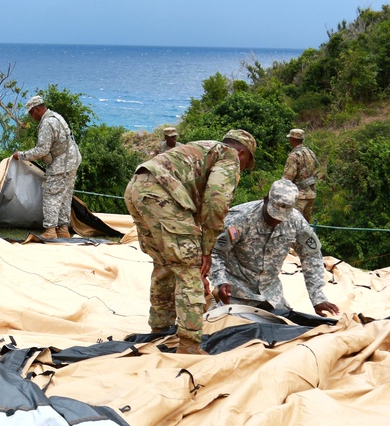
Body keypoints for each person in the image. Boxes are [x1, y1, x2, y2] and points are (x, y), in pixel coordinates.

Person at [124, 129, 256, 354]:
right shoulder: (229, 156)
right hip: (161, 194)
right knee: (189, 270)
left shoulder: (202, 148)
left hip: (136, 188)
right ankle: (189, 345)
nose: (241, 170)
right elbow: (216, 201)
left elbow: (192, 198)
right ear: (242, 153)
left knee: (165, 264)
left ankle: (160, 329)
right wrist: (205, 250)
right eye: (245, 165)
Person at [209, 179, 339, 317]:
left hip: (271, 297)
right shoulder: (240, 219)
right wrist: (220, 281)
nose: (276, 221)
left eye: (281, 218)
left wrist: (317, 297)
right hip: (236, 295)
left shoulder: (296, 222)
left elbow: (311, 256)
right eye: (273, 216)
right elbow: (216, 252)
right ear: (266, 199)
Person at [12, 95, 82, 240]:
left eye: (31, 113)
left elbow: (42, 150)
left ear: (37, 109)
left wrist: (22, 155)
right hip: (72, 160)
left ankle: (50, 230)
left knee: (52, 195)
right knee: (65, 196)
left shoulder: (47, 124)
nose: (31, 117)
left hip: (61, 164)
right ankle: (63, 229)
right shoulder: (56, 116)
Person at [282, 128, 319, 221]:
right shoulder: (310, 152)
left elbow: (287, 178)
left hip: (299, 196)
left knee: (294, 224)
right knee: (305, 225)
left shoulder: (294, 155)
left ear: (293, 139)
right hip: (311, 193)